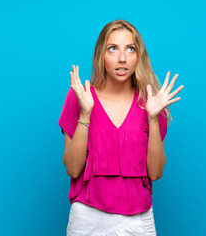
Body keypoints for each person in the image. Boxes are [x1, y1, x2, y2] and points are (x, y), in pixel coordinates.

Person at [58, 19, 184, 236]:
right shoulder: (79, 96)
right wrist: (86, 114)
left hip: (138, 221)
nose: (122, 58)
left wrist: (153, 118)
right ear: (101, 54)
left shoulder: (151, 101)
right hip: (87, 219)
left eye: (130, 49)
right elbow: (72, 168)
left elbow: (155, 172)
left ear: (138, 56)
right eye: (113, 49)